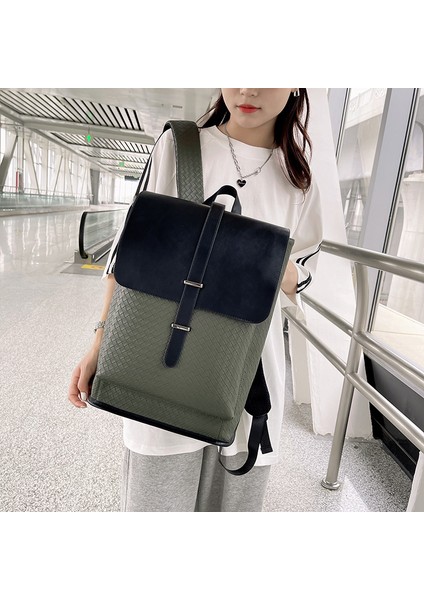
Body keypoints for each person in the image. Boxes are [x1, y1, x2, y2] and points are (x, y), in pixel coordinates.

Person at [68, 88, 323, 512]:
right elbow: (128, 250)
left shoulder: (299, 178)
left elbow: (307, 273)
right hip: (158, 361)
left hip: (248, 378)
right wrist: (100, 341)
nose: (248, 88)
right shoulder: (179, 146)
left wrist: (271, 260)